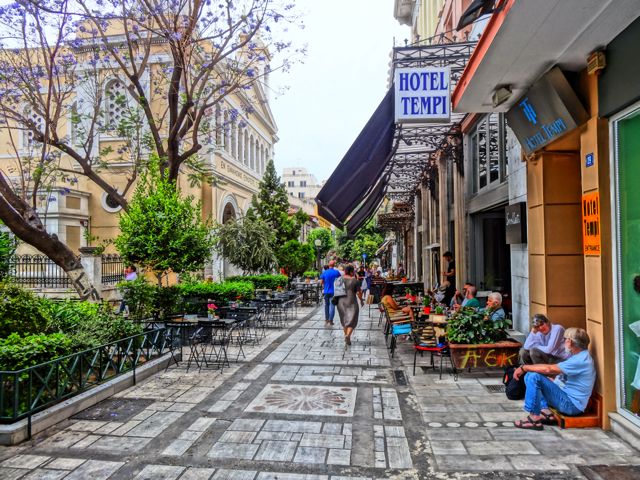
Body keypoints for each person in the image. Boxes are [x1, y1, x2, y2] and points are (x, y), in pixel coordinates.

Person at [513, 327, 596, 430]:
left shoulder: (581, 360)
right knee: (532, 375)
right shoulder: (579, 356)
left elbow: (549, 369)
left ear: (570, 342)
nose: (564, 341)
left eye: (565, 339)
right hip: (566, 398)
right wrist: (549, 382)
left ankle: (534, 419)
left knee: (534, 377)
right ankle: (546, 412)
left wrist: (524, 367)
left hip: (571, 405)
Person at [336, 264, 363, 346]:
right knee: (352, 320)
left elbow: (336, 291)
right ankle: (348, 335)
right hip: (351, 302)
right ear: (351, 271)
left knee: (344, 320)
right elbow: (359, 292)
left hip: (341, 302)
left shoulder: (339, 279)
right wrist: (361, 300)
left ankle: (346, 336)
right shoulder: (354, 280)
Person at [319, 261, 341, 327]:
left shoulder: (325, 272)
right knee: (332, 306)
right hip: (334, 292)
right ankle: (331, 320)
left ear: (329, 265)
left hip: (326, 291)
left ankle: (326, 319)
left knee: (326, 306)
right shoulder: (337, 272)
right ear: (334, 265)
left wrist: (325, 284)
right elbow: (340, 281)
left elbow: (321, 282)